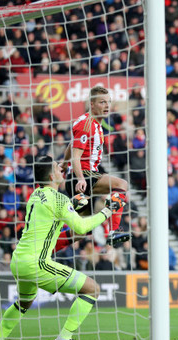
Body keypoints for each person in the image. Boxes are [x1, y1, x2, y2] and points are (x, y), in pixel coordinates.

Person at [0, 156, 126, 340]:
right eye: (58, 169)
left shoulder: (36, 195)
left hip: (18, 261)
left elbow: (53, 217)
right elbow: (82, 227)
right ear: (52, 176)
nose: (62, 170)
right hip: (37, 263)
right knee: (92, 289)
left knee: (23, 303)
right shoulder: (58, 199)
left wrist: (73, 206)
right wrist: (108, 210)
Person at [61, 86, 129, 247]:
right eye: (102, 102)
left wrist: (64, 163)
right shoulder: (87, 125)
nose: (107, 106)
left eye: (108, 102)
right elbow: (76, 156)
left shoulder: (93, 123)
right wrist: (80, 178)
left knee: (80, 232)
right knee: (122, 184)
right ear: (92, 104)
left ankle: (49, 246)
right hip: (85, 176)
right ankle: (114, 231)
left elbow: (73, 146)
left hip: (82, 177)